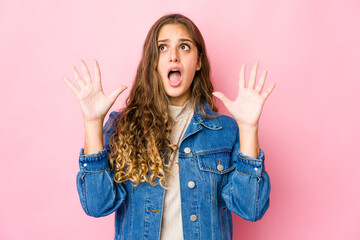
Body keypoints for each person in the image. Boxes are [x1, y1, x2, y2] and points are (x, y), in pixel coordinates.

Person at [64, 13, 275, 240]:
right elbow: (97, 205)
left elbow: (251, 209)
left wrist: (249, 128)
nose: (173, 56)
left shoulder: (226, 130)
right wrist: (93, 123)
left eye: (184, 47)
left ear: (199, 61)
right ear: (153, 61)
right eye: (162, 48)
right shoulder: (121, 126)